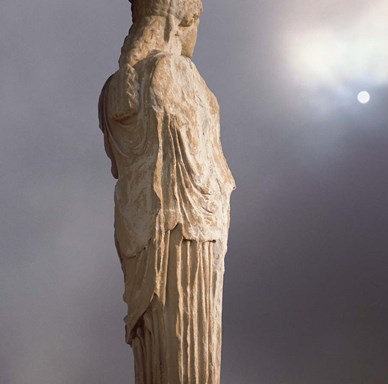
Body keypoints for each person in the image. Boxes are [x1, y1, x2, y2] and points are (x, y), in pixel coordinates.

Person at [98, 0, 235, 382]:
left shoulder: (114, 89)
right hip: (187, 232)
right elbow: (205, 170)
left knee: (160, 346)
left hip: (144, 236)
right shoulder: (175, 72)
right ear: (180, 20)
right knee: (189, 341)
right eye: (195, 21)